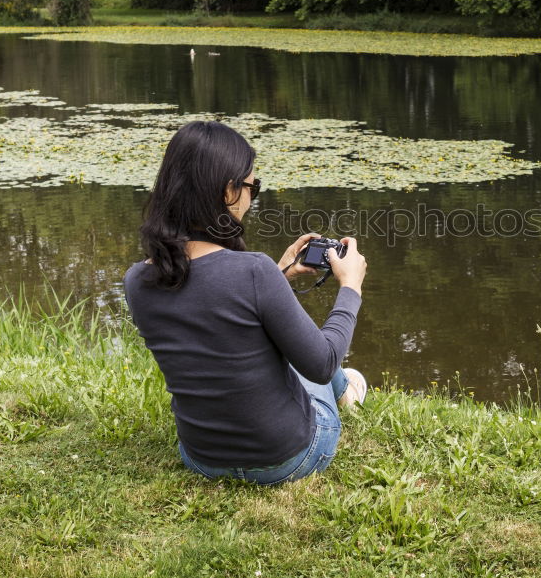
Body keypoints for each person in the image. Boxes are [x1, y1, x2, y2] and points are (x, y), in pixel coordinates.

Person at [122, 120, 368, 486]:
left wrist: (279, 275)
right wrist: (350, 286)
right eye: (253, 186)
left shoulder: (136, 280)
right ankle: (346, 391)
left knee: (279, 334)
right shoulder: (253, 272)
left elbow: (212, 303)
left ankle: (344, 390)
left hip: (202, 458)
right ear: (227, 192)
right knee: (312, 355)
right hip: (290, 458)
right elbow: (321, 363)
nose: (253, 197)